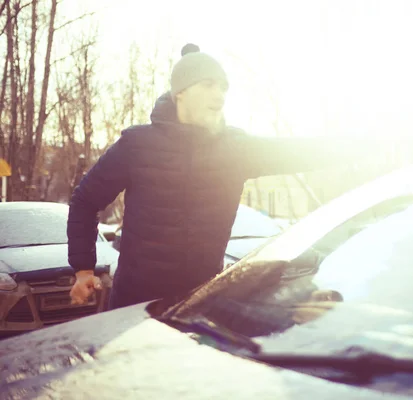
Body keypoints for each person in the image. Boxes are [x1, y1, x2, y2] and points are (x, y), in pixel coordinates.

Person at [67, 43, 392, 310]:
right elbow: (85, 200)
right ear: (180, 92)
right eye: (208, 84)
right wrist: (83, 269)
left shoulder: (234, 149)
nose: (219, 94)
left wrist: (370, 144)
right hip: (134, 304)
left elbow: (301, 151)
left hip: (202, 302)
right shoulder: (138, 145)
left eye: (223, 87)